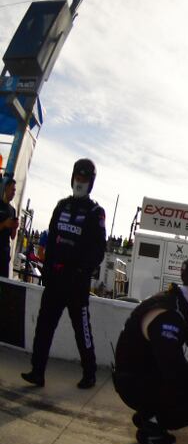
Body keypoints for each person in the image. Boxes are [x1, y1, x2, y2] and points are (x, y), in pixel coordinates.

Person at [113, 254, 188, 444]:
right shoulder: (170, 315)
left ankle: (149, 416)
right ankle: (153, 427)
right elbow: (174, 370)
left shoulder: (179, 306)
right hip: (134, 382)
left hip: (139, 378)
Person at [21, 160, 106, 389]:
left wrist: (80, 272)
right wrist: (47, 270)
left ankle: (90, 373)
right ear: (72, 178)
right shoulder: (61, 206)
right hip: (55, 280)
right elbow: (51, 241)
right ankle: (37, 371)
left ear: (91, 182)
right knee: (44, 327)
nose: (80, 182)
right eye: (77, 177)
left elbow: (99, 250)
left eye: (84, 179)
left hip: (77, 284)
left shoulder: (96, 212)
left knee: (82, 330)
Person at [0, 176, 18, 279]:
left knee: (3, 283)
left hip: (5, 252)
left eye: (15, 191)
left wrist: (15, 228)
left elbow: (12, 237)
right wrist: (4, 224)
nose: (14, 193)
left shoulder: (13, 210)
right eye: (12, 190)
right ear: (6, 188)